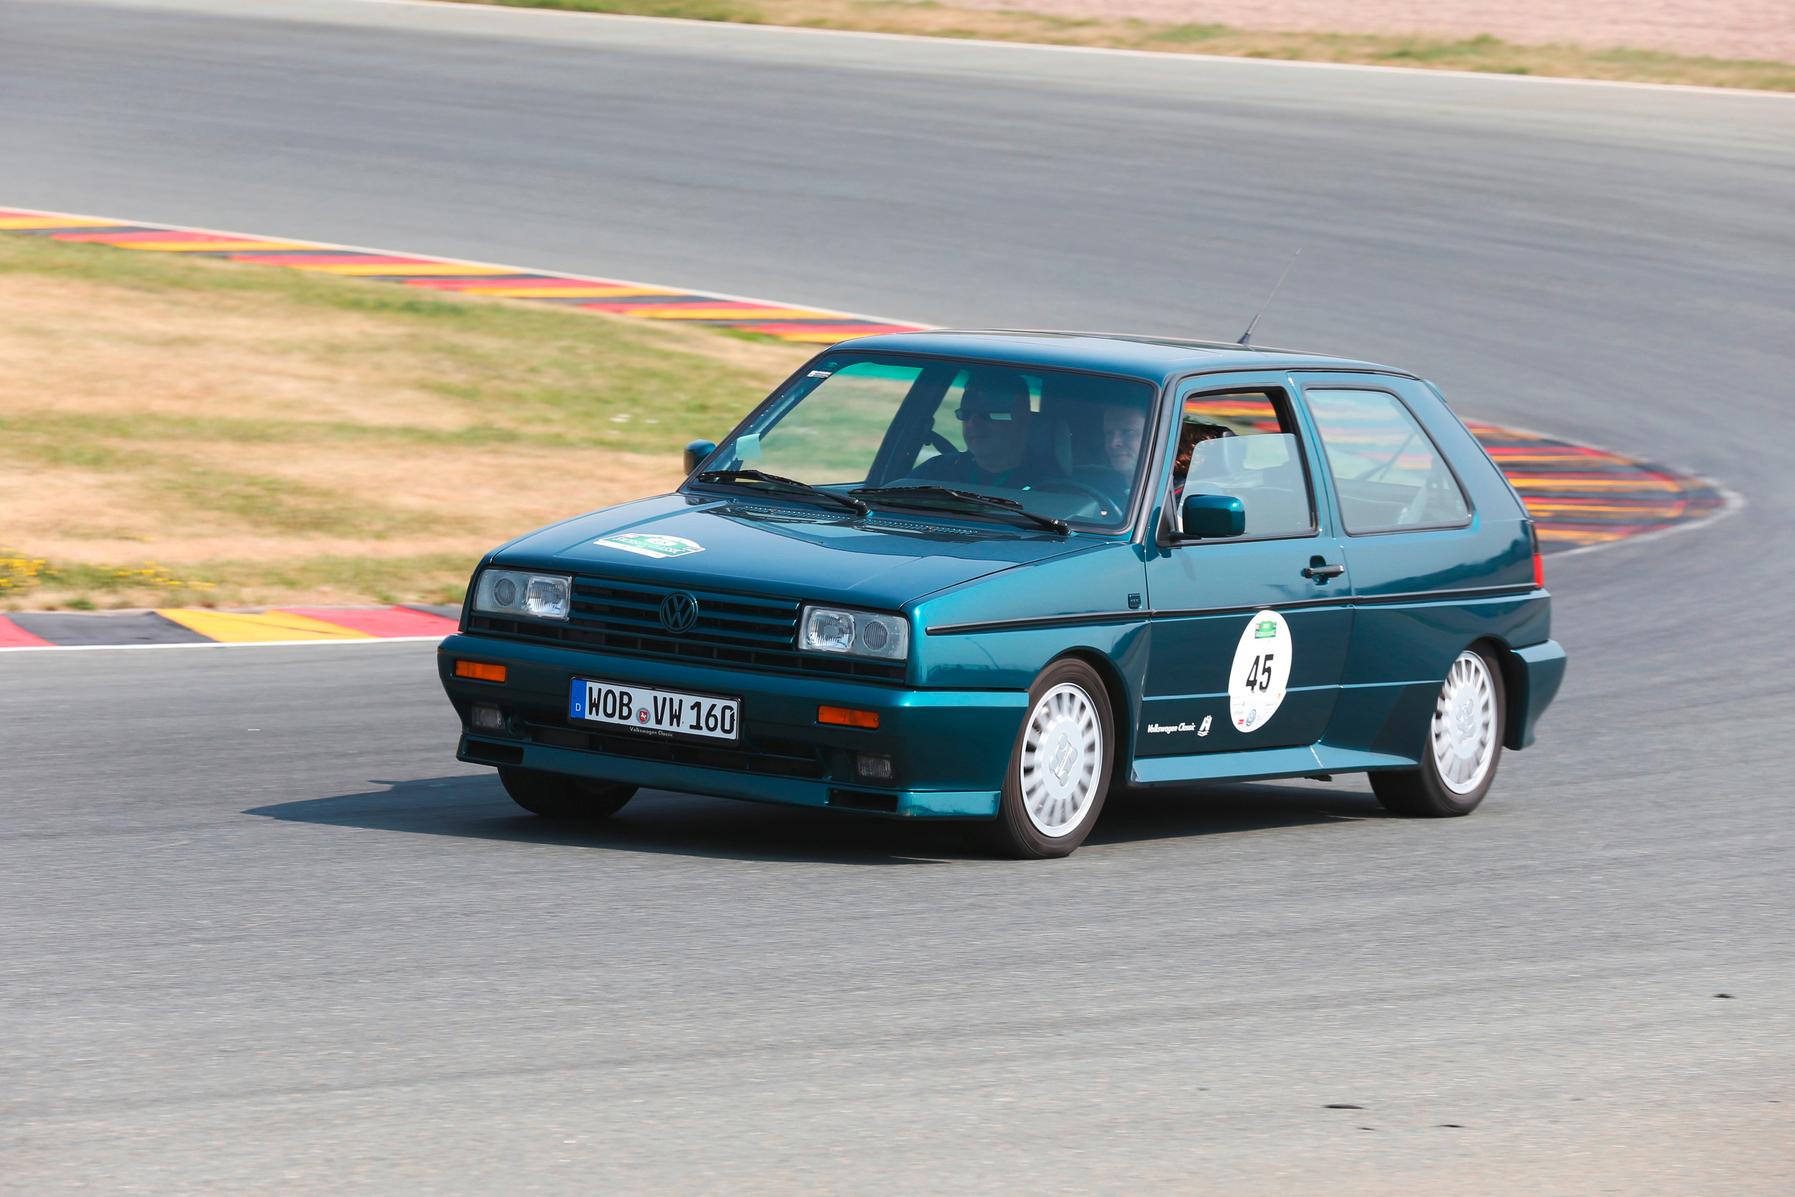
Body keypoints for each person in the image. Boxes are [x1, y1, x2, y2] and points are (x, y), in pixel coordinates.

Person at [912, 370, 1037, 487]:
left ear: (1023, 418)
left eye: (987, 414)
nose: (973, 423)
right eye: (965, 414)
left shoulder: (1048, 488)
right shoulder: (934, 472)